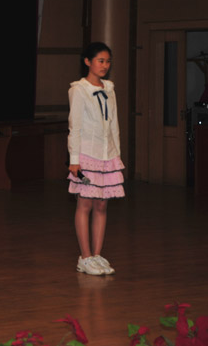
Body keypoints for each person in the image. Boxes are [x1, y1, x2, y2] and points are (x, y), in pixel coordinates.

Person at [67, 42, 124, 276]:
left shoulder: (109, 89)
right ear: (88, 62)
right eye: (100, 61)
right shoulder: (79, 90)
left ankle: (97, 255)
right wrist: (74, 159)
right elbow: (75, 126)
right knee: (85, 204)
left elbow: (114, 125)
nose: (105, 65)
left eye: (108, 61)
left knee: (102, 205)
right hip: (86, 155)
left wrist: (116, 154)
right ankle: (85, 257)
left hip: (106, 156)